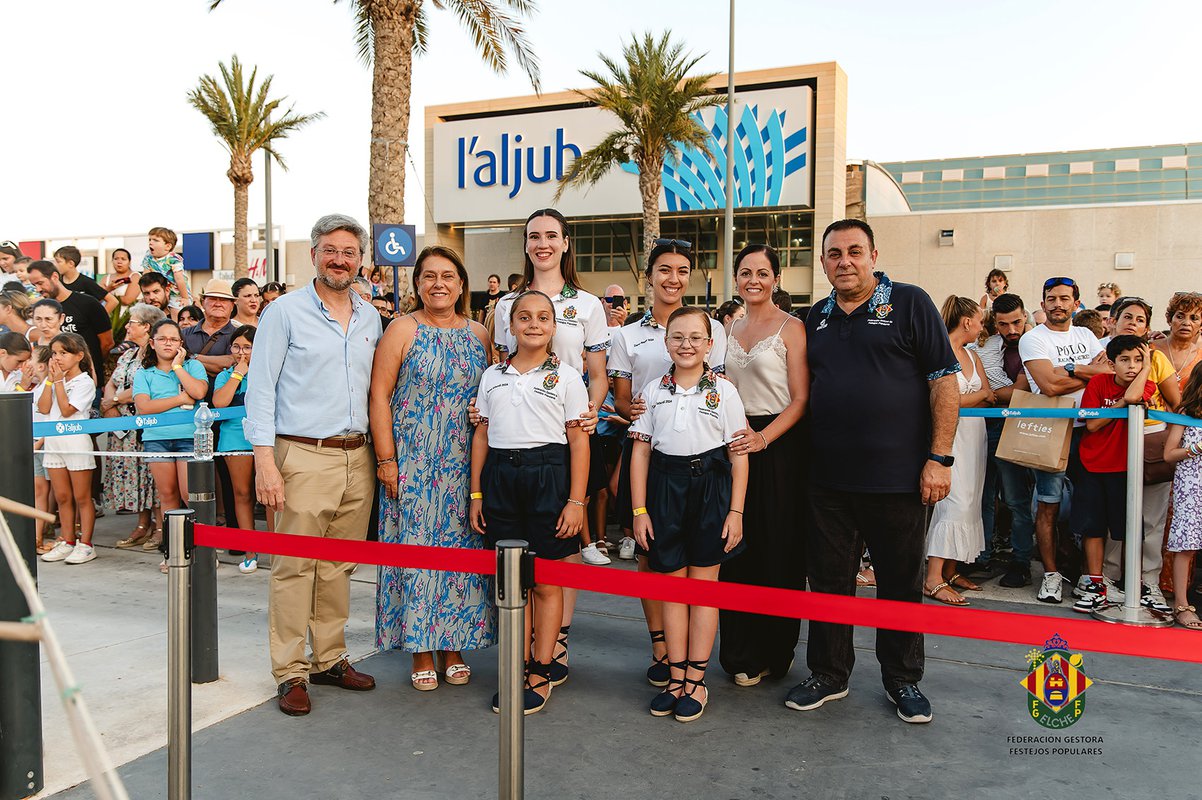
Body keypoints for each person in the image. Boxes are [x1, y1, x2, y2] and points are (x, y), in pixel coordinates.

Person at [790, 219, 959, 724]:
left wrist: (940, 457)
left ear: (873, 255)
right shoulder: (813, 318)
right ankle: (829, 672)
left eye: (854, 251)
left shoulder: (909, 302)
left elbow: (944, 381)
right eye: (834, 254)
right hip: (826, 481)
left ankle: (903, 680)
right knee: (828, 580)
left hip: (898, 479)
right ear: (822, 263)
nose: (845, 261)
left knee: (900, 582)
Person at [245, 213, 381, 717]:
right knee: (293, 566)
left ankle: (330, 658)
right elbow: (260, 389)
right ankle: (290, 671)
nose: (340, 259)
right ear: (314, 254)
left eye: (349, 251)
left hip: (357, 456)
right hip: (301, 453)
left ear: (360, 259)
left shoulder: (370, 316)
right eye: (331, 250)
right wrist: (266, 461)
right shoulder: (283, 312)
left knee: (338, 565)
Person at [370, 246, 494, 691]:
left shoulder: (480, 334)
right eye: (428, 276)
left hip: (465, 465)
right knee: (417, 554)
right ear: (416, 283)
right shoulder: (401, 329)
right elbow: (379, 397)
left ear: (462, 284)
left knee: (462, 555)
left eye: (448, 276)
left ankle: (454, 644)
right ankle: (421, 647)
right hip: (413, 464)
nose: (438, 284)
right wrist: (387, 461)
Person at [490, 208, 606, 683]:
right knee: (521, 555)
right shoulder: (506, 305)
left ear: (565, 243)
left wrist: (591, 410)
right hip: (517, 441)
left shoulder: (589, 304)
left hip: (566, 438)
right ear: (525, 244)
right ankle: (528, 648)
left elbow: (596, 375)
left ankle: (555, 643)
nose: (543, 243)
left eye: (551, 236)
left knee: (564, 545)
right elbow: (500, 369)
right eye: (534, 236)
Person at [609, 239, 729, 686]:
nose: (672, 278)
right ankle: (661, 645)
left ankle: (685, 662)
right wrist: (637, 418)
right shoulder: (627, 335)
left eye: (681, 270)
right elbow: (622, 399)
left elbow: (718, 392)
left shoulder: (707, 327)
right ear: (649, 276)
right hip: (645, 452)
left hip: (699, 460)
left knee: (693, 565)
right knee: (648, 553)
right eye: (663, 269)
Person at [469, 290, 589, 714]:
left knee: (546, 579)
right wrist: (477, 493)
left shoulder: (568, 377)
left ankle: (542, 667)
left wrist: (576, 501)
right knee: (512, 583)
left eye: (543, 317)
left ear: (554, 326)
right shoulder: (492, 376)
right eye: (524, 317)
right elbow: (481, 435)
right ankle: (515, 665)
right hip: (501, 477)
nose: (533, 324)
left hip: (548, 475)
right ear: (511, 325)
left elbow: (578, 440)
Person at [629, 307, 749, 722]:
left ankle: (696, 680)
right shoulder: (652, 390)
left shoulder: (725, 392)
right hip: (665, 490)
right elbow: (641, 450)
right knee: (672, 589)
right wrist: (640, 510)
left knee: (702, 590)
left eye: (696, 337)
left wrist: (735, 511)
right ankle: (675, 676)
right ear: (666, 342)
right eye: (678, 337)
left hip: (710, 489)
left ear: (710, 344)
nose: (686, 345)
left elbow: (739, 455)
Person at [720, 243, 808, 689]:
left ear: (776, 278)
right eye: (745, 272)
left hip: (779, 447)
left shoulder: (793, 328)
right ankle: (739, 651)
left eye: (762, 272)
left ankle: (775, 652)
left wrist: (764, 438)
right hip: (734, 444)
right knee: (736, 551)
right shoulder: (729, 328)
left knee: (778, 550)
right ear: (735, 278)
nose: (753, 279)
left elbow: (801, 399)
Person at [1018, 277, 1107, 604]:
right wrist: (1088, 371)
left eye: (1064, 298)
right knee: (1048, 506)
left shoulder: (1086, 334)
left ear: (1076, 303)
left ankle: (1090, 578)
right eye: (1051, 299)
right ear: (1043, 304)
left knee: (1092, 506)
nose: (1057, 304)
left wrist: (1067, 369)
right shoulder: (1032, 338)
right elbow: (1048, 386)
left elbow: (1108, 372)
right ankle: (1051, 576)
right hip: (1052, 429)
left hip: (1091, 430)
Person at [1095, 297, 1179, 613]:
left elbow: (1176, 402)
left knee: (1151, 518)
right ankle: (1109, 578)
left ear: (1147, 326)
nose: (1132, 322)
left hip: (1151, 441)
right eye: (1126, 316)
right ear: (1113, 321)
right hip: (1111, 442)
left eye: (1140, 319)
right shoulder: (1101, 356)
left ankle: (1149, 582)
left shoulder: (1156, 358)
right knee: (1115, 514)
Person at [1070, 336, 1156, 612]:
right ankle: (1096, 584)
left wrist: (1147, 370)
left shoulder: (1146, 384)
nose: (1132, 366)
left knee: (1129, 527)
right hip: (1093, 464)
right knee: (1093, 526)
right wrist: (1119, 406)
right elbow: (1093, 425)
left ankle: (1132, 584)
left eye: (1138, 360)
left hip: (1126, 468)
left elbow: (1133, 396)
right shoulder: (1098, 383)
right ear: (1112, 363)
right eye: (1125, 360)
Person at [924, 297, 993, 606]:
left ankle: (952, 569)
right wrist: (975, 396)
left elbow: (988, 394)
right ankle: (932, 577)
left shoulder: (971, 354)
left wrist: (973, 396)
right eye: (980, 319)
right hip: (950, 435)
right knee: (953, 500)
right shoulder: (939, 350)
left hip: (975, 434)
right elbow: (943, 398)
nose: (982, 325)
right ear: (967, 321)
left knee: (971, 500)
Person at [134, 319, 209, 562]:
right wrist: (179, 400)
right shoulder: (144, 373)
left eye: (174, 339)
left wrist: (178, 368)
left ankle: (203, 551)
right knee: (167, 496)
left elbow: (198, 393)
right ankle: (172, 552)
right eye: (163, 339)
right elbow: (144, 407)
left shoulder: (193, 366)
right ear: (152, 343)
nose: (168, 343)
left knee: (192, 496)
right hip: (157, 440)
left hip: (190, 438)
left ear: (181, 344)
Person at [976, 293, 1036, 587]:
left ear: (1025, 316)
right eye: (1004, 324)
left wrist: (989, 396)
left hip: (1022, 426)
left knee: (1016, 500)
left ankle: (1021, 561)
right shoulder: (989, 344)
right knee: (984, 496)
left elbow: (1023, 392)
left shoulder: (1035, 342)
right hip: (987, 425)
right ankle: (982, 556)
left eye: (1016, 322)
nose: (1011, 329)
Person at [103, 303, 164, 549]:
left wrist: (115, 400)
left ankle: (159, 527)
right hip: (122, 427)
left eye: (132, 322)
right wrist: (110, 404)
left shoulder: (154, 355)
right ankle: (142, 524)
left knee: (153, 477)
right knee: (135, 477)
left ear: (147, 327)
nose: (127, 326)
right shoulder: (128, 354)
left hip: (144, 425)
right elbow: (112, 382)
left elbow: (144, 388)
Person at [38, 333, 99, 565]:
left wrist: (60, 382)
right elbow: (44, 408)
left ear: (79, 355)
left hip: (75, 442)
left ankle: (86, 544)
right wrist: (50, 381)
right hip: (54, 442)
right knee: (62, 496)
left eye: (64, 353)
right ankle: (68, 540)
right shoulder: (53, 379)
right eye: (54, 353)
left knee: (81, 496)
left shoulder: (84, 382)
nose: (58, 358)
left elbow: (66, 410)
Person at [213, 324, 259, 573]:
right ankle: (250, 550)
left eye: (248, 347)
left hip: (264, 437)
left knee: (271, 497)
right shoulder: (225, 375)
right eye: (237, 347)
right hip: (233, 438)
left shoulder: (267, 371)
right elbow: (220, 402)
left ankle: (277, 548)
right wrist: (238, 374)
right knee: (242, 494)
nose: (242, 352)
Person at [27, 260, 112, 384]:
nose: (38, 289)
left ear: (55, 277)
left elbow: (107, 343)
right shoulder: (41, 309)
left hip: (87, 380)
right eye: (34, 285)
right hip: (50, 384)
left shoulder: (88, 303)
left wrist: (90, 363)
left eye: (40, 283)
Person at [1165, 367, 1202, 630]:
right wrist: (1195, 448)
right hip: (1191, 486)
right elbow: (1169, 454)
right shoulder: (1185, 415)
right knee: (1186, 545)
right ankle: (1181, 604)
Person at [140, 227, 190, 309]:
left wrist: (185, 297)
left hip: (176, 292)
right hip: (158, 292)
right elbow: (146, 276)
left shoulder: (173, 259)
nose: (150, 243)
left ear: (167, 246)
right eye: (150, 240)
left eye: (155, 240)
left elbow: (179, 279)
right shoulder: (148, 256)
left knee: (175, 309)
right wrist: (146, 294)